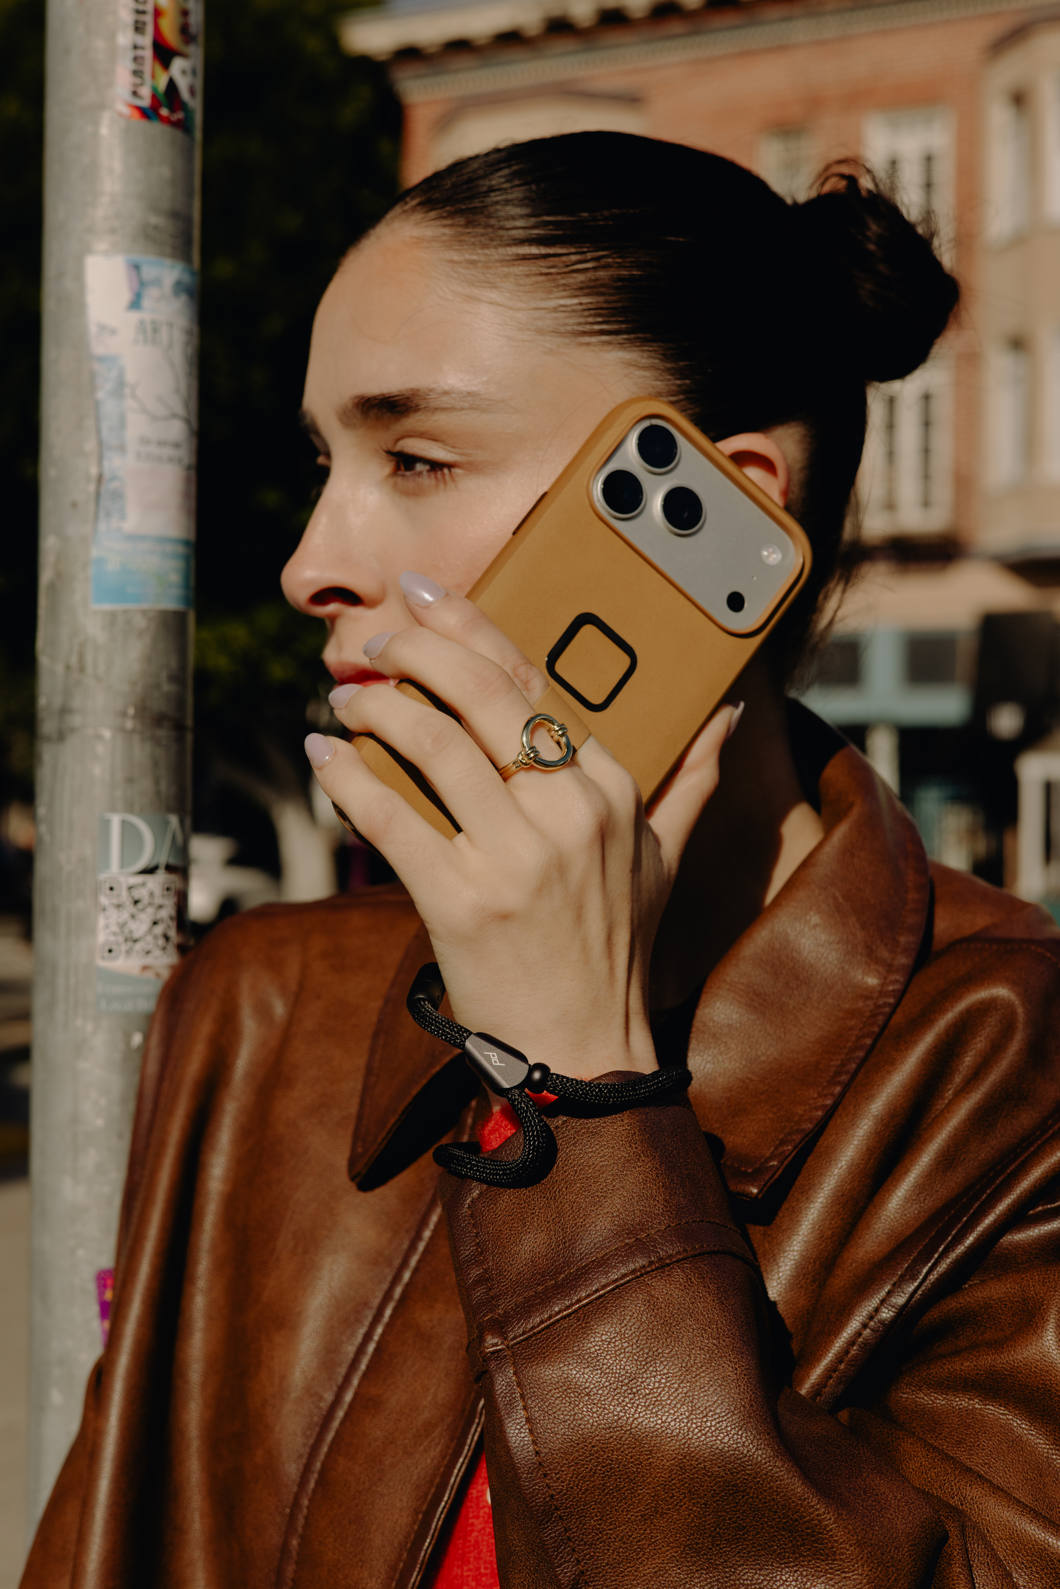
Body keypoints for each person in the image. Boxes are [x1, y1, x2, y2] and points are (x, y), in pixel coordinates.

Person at [22, 133, 1060, 1589]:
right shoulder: (263, 1010)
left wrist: (581, 1089)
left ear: (723, 519)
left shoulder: (1013, 1071)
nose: (311, 563)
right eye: (326, 462)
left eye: (417, 458)